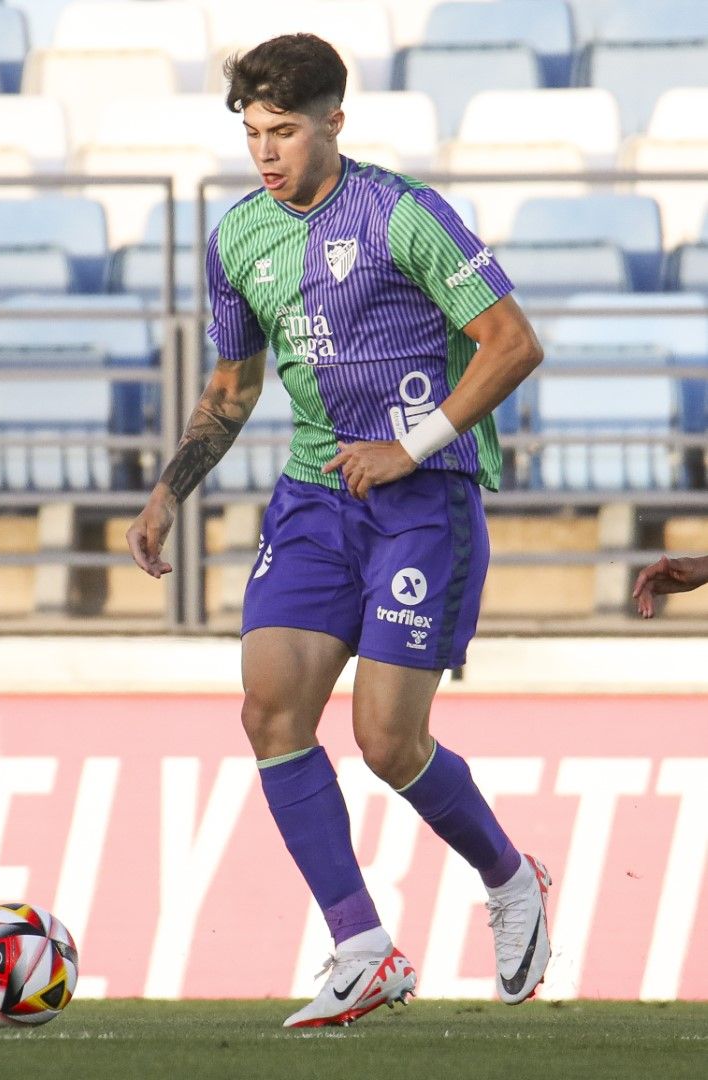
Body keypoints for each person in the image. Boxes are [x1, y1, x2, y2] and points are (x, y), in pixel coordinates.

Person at [125, 35, 552, 1027]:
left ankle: (509, 877)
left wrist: (412, 444)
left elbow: (512, 342)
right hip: (317, 501)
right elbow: (233, 388)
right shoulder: (237, 238)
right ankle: (362, 944)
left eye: (283, 130)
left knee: (387, 741)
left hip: (424, 501)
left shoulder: (406, 216)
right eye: (252, 132)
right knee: (271, 708)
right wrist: (168, 492)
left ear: (334, 122)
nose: (265, 152)